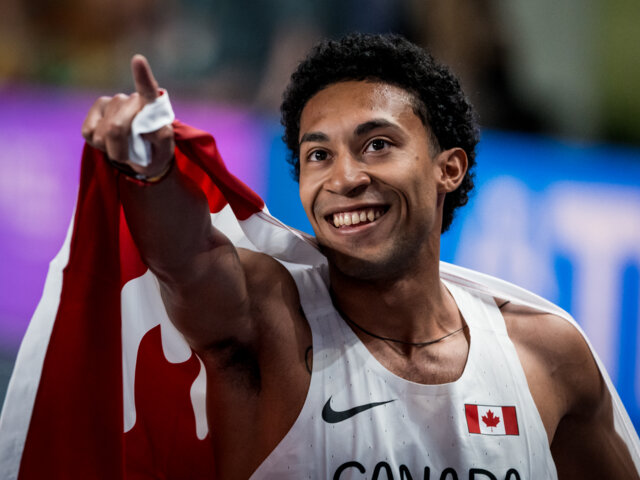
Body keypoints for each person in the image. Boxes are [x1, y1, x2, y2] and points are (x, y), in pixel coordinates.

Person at [81, 34, 639, 479]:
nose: (345, 178)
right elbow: (188, 259)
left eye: (377, 144)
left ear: (448, 169)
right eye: (319, 155)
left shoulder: (545, 355)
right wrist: (151, 172)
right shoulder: (268, 319)